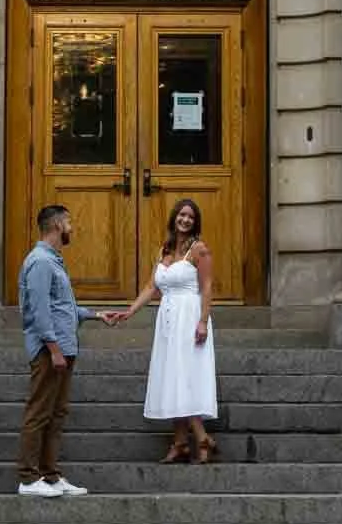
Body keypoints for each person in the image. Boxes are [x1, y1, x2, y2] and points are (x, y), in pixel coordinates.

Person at [108, 198, 218, 464]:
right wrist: (130, 311)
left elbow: (207, 287)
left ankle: (201, 438)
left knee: (184, 377)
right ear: (174, 218)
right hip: (168, 320)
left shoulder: (199, 250)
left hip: (190, 317)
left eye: (191, 216)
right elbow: (152, 286)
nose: (186, 220)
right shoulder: (164, 250)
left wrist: (203, 321)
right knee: (171, 376)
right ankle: (180, 442)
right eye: (182, 214)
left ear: (196, 222)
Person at [16, 202, 110, 498]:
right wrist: (54, 349)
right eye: (68, 223)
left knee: (56, 414)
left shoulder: (53, 261)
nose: (72, 228)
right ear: (56, 225)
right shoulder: (41, 262)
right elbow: (40, 311)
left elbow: (62, 307)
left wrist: (95, 315)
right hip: (50, 351)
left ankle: (50, 475)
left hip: (62, 349)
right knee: (39, 412)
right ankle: (29, 479)